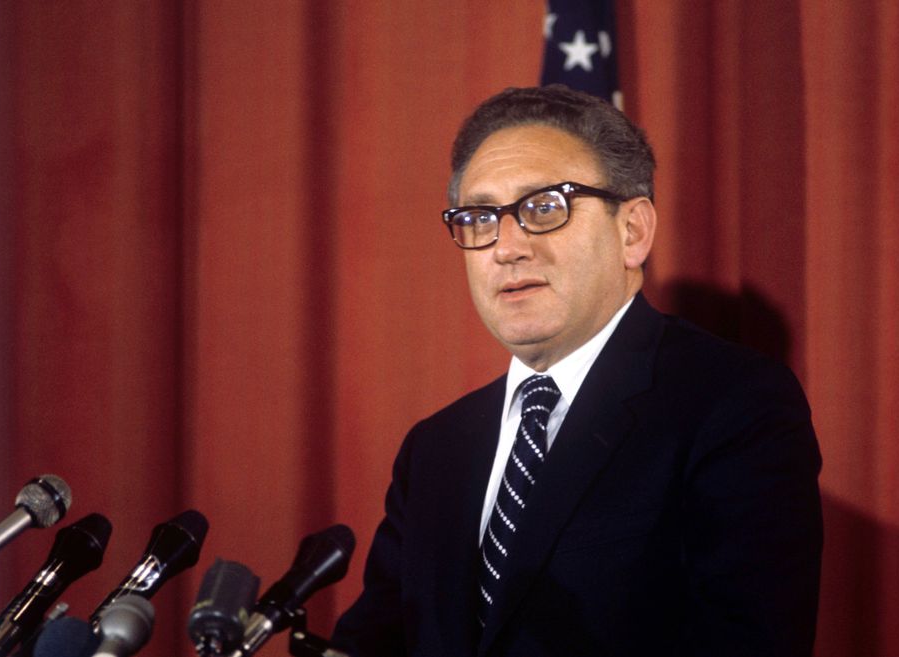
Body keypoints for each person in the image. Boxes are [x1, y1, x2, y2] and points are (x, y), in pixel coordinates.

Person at [330, 84, 822, 657]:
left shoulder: (731, 403)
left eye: (543, 208)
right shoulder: (436, 448)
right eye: (480, 216)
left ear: (632, 231)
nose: (506, 247)